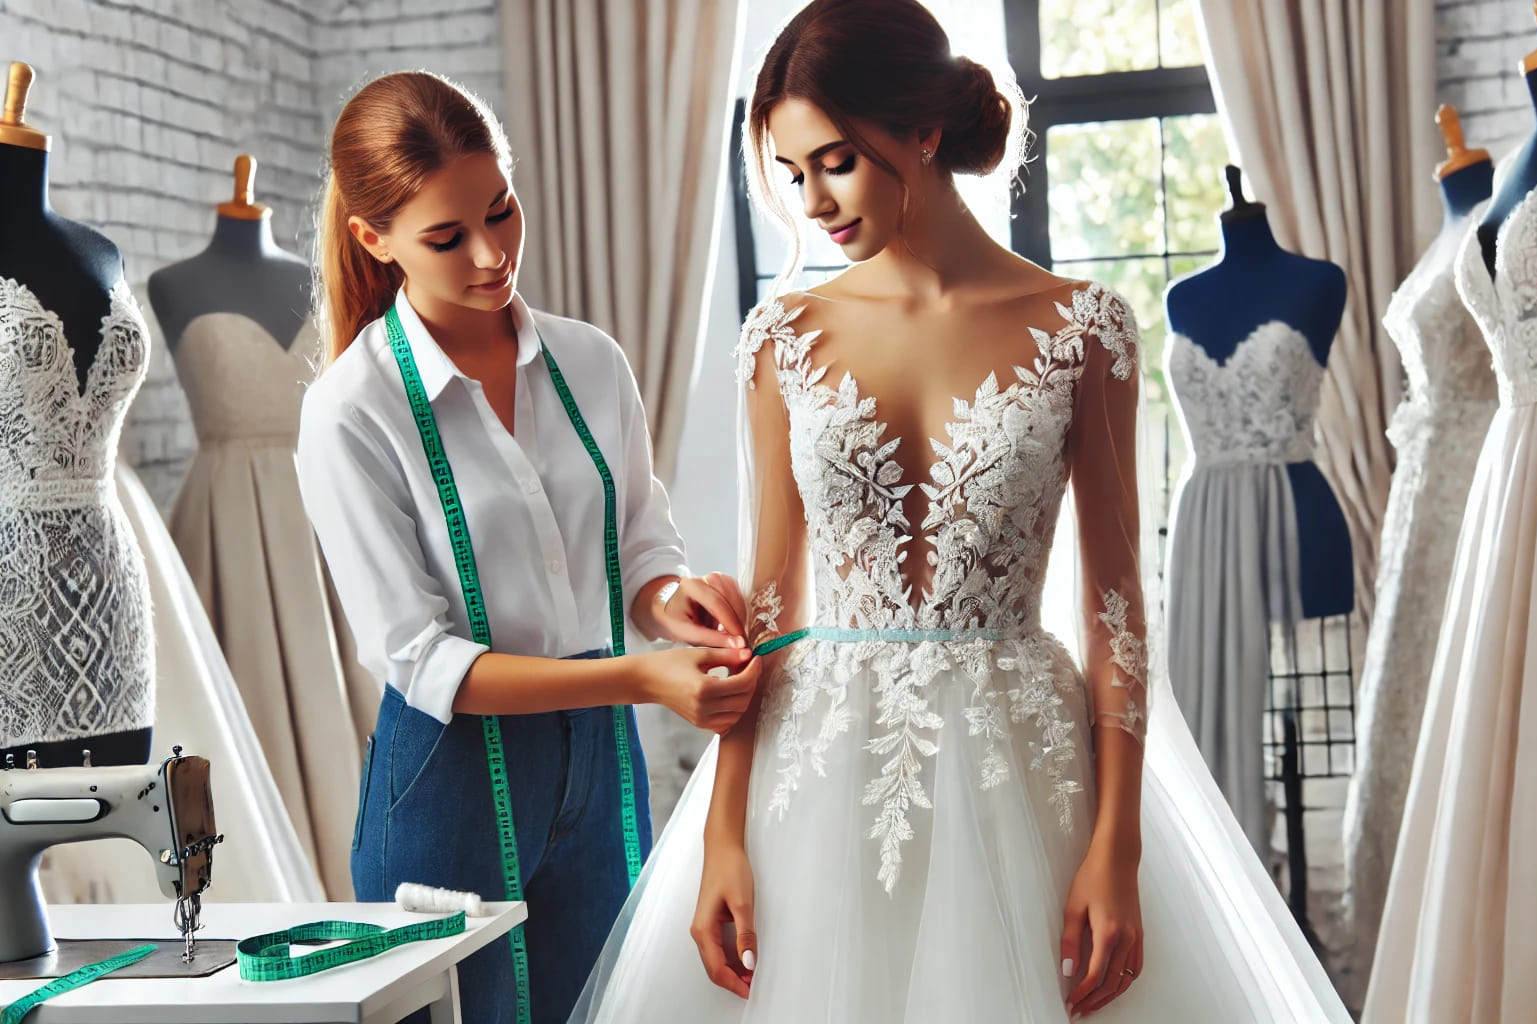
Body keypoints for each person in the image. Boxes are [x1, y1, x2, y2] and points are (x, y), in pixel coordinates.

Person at [573, 2, 1351, 1020]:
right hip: (817, 777)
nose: (813, 200)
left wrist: (1118, 846)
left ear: (923, 130)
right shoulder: (782, 337)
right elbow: (766, 603)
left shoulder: (1083, 329)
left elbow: (1115, 607)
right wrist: (723, 829)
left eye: (835, 160)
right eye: (792, 172)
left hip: (1022, 773)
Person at [294, 70, 760, 1024]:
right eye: (446, 237)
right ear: (373, 241)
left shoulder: (592, 361)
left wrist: (678, 603)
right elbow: (424, 662)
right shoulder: (350, 412)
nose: (491, 253)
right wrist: (646, 677)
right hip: (449, 781)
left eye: (502, 212)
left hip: (602, 762)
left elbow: (639, 544)